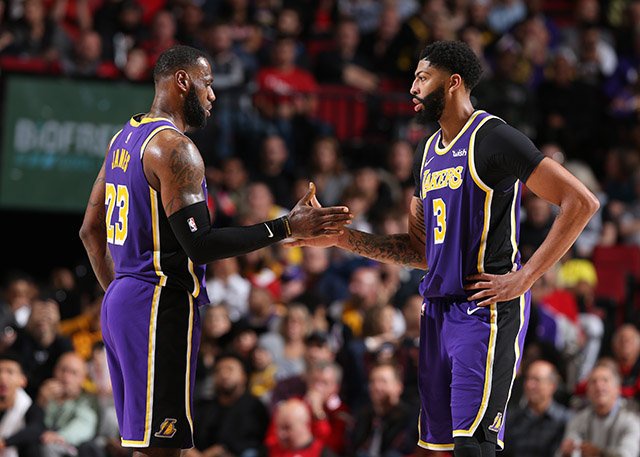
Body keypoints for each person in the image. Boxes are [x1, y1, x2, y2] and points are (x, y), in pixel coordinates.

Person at [286, 40, 599, 457]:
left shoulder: (493, 138)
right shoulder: (426, 152)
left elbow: (581, 202)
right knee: (440, 449)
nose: (412, 88)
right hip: (436, 310)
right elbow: (420, 251)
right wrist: (341, 238)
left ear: (453, 83)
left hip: (483, 307)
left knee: (474, 446)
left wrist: (525, 278)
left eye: (422, 77)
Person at [79, 44, 352, 457]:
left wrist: (121, 292)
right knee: (161, 449)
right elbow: (200, 244)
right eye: (206, 83)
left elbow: (89, 231)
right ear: (182, 81)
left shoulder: (123, 139)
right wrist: (286, 227)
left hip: (123, 300)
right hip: (159, 301)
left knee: (146, 444)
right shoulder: (174, 149)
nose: (212, 94)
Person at [557, 359, 640, 457]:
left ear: (618, 388)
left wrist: (600, 454)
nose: (599, 386)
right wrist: (566, 454)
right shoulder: (578, 420)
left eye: (605, 380)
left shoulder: (631, 420)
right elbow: (567, 451)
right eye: (593, 381)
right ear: (587, 391)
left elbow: (628, 454)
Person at [503, 360, 571, 457]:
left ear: (552, 385)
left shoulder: (566, 420)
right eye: (528, 379)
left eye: (536, 380)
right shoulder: (511, 418)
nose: (529, 385)